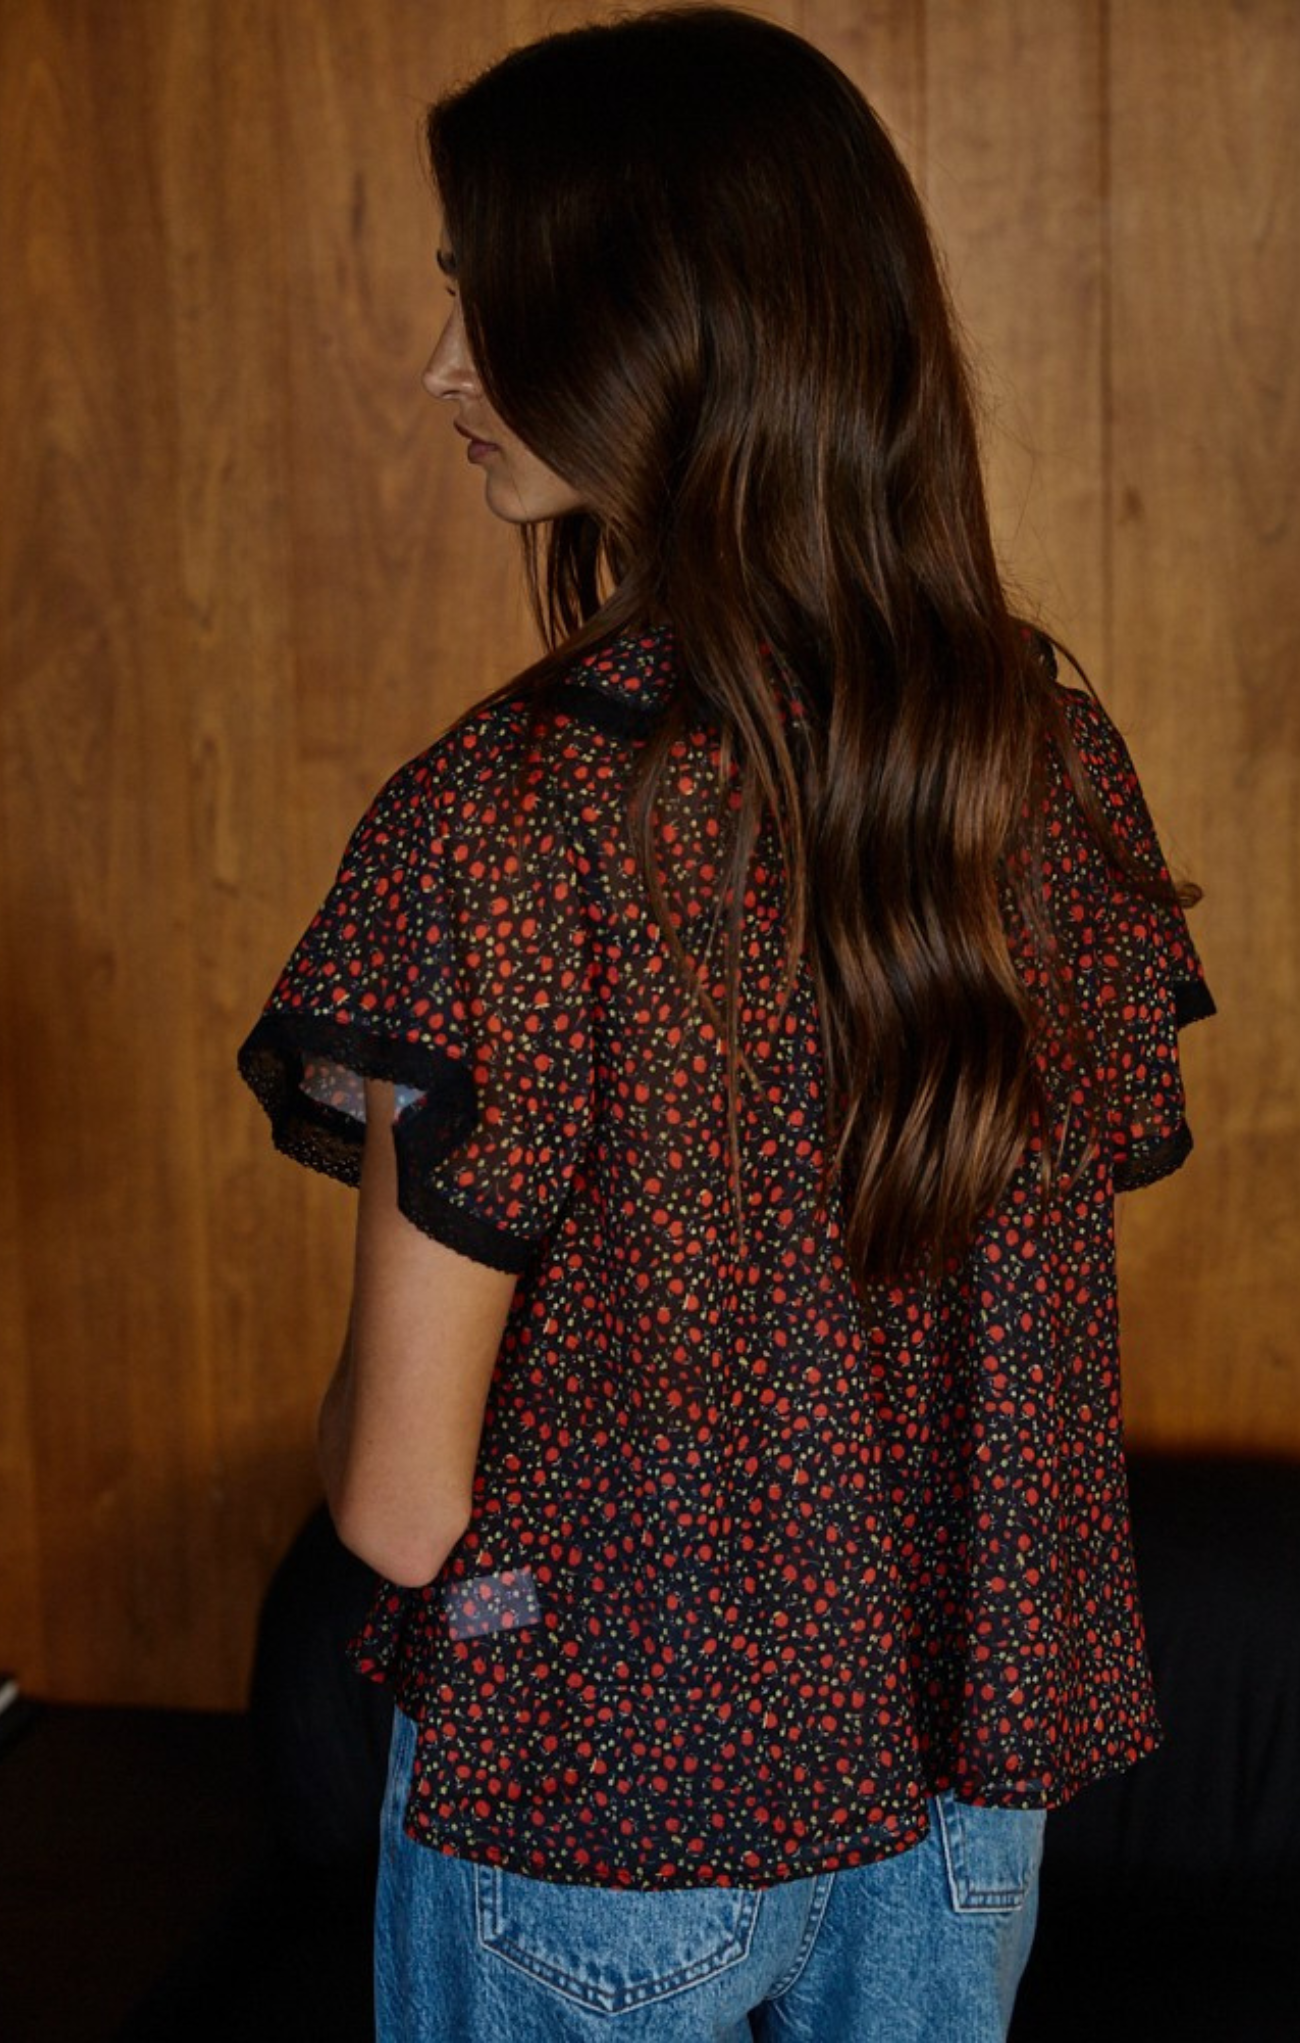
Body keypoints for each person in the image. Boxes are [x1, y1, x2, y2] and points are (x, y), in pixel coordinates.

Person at [238, 9, 1213, 2038]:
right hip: (955, 1823)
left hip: (587, 1806)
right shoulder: (1044, 765)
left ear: (666, 337)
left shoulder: (505, 820)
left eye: (485, 311)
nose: (440, 372)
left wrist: (358, 1427)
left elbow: (401, 1506)